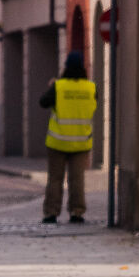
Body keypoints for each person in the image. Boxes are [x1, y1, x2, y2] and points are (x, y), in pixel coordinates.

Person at [40, 49, 98, 224]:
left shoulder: (58, 87)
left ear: (66, 67)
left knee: (55, 179)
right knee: (77, 179)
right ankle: (77, 212)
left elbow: (43, 102)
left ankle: (51, 213)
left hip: (57, 142)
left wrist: (52, 86)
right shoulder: (91, 88)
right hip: (81, 142)